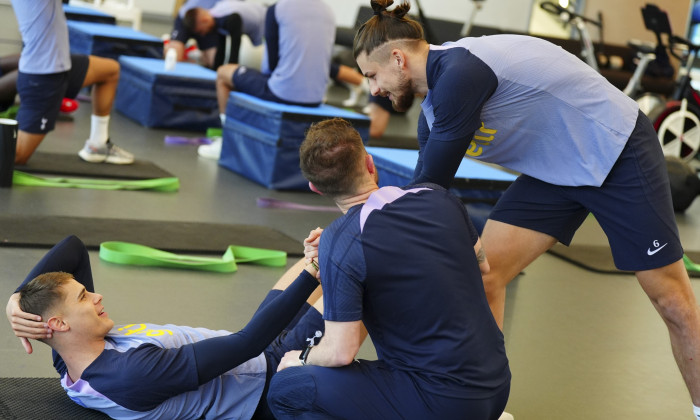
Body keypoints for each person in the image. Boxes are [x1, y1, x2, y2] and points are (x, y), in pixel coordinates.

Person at [352, 0, 700, 416]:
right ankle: (485, 404)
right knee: (485, 275)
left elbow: (424, 198)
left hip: (615, 150)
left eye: (372, 76)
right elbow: (428, 202)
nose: (373, 90)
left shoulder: (461, 73)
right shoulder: (431, 111)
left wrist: (356, 246)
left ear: (397, 58)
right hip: (553, 171)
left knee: (672, 301)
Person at [265, 118, 511, 419]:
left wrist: (300, 357)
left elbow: (340, 352)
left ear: (315, 188)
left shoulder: (342, 241)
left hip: (441, 402)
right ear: (370, 164)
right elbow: (481, 266)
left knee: (288, 388)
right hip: (497, 389)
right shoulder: (438, 197)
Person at [5, 235, 324, 419]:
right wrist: (313, 271)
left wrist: (17, 299)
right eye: (85, 296)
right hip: (273, 376)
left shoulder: (69, 355)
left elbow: (73, 248)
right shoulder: (131, 374)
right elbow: (248, 343)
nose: (97, 295)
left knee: (332, 244)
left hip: (257, 348)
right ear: (59, 324)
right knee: (352, 268)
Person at [201, 0, 335, 159]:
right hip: (317, 96)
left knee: (224, 74)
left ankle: (226, 140)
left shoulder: (276, 9)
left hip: (283, 92)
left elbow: (271, 66)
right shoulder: (329, 11)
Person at [10, 0, 134, 165]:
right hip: (43, 76)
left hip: (60, 65)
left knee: (110, 71)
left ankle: (97, 145)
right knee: (17, 156)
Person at [175, 0, 267, 69]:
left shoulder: (228, 17)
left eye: (200, 31)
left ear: (204, 20)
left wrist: (231, 68)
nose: (203, 34)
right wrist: (216, 71)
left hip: (265, 20)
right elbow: (221, 50)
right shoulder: (216, 21)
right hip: (257, 24)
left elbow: (235, 45)